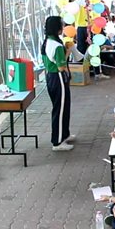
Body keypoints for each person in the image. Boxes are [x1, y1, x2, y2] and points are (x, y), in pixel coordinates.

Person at [41, 16, 75, 151]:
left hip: (51, 78)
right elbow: (61, 66)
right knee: (60, 110)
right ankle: (58, 142)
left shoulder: (48, 41)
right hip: (58, 78)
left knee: (63, 107)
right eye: (61, 25)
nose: (63, 27)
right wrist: (68, 52)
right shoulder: (56, 46)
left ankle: (64, 134)